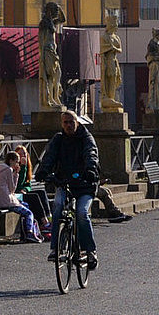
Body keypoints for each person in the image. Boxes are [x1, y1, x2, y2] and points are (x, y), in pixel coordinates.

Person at [35, 109, 100, 269]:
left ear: (77, 122)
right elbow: (49, 157)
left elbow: (91, 153)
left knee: (82, 213)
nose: (69, 125)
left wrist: (91, 169)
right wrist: (43, 171)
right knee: (57, 208)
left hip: (85, 184)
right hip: (64, 182)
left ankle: (90, 251)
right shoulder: (58, 139)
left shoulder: (86, 138)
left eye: (72, 122)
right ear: (61, 124)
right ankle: (55, 248)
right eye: (66, 122)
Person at [0, 150, 43, 242]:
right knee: (29, 213)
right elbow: (12, 189)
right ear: (11, 161)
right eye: (16, 161)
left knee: (26, 205)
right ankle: (29, 233)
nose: (17, 164)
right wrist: (16, 174)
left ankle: (25, 233)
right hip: (5, 202)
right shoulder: (8, 170)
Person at [14, 145, 51, 229]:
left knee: (41, 192)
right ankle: (44, 222)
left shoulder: (27, 167)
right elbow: (18, 184)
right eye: (20, 154)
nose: (22, 156)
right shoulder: (15, 168)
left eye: (24, 154)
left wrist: (25, 189)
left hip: (22, 192)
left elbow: (28, 184)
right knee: (34, 197)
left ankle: (48, 218)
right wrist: (22, 167)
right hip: (16, 194)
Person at [37, 2, 65, 110]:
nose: (56, 14)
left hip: (53, 51)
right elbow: (41, 39)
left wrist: (60, 8)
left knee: (57, 74)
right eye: (55, 11)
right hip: (47, 51)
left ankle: (56, 97)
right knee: (50, 76)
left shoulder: (52, 22)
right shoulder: (44, 23)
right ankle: (49, 99)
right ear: (49, 11)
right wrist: (42, 55)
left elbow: (63, 20)